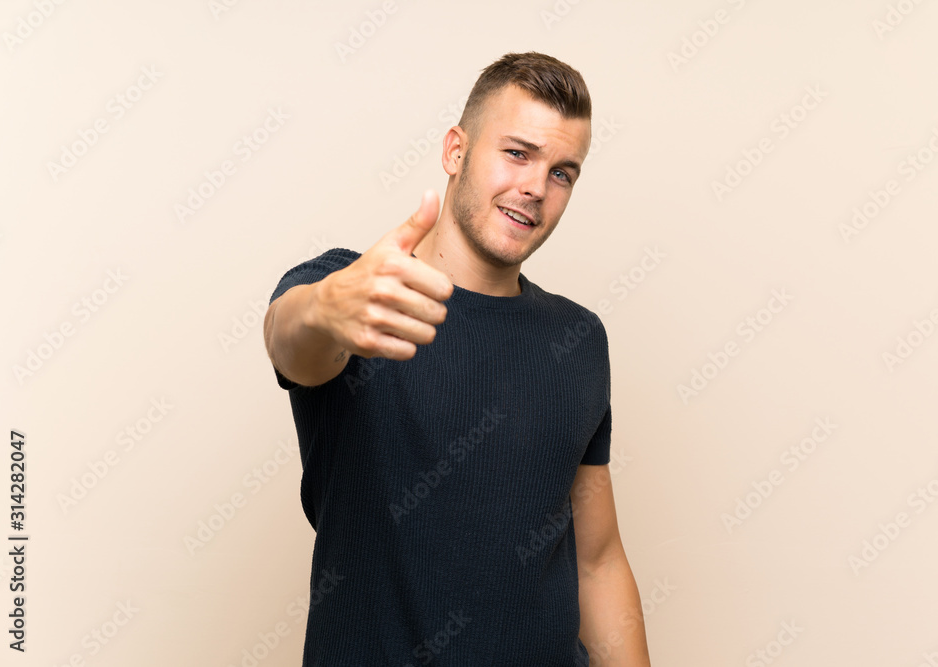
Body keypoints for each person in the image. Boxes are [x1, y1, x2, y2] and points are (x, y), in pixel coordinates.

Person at [263, 51, 650, 666]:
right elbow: (291, 339)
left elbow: (598, 559)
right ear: (455, 151)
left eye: (563, 173)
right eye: (518, 153)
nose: (535, 187)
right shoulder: (361, 290)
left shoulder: (577, 338)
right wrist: (321, 310)